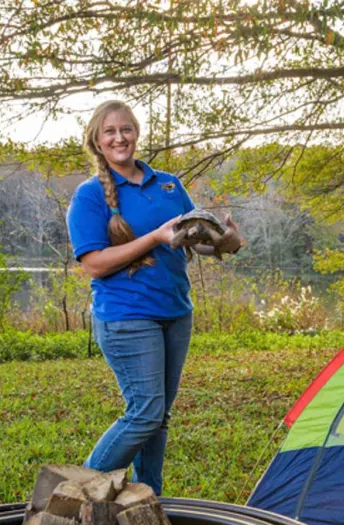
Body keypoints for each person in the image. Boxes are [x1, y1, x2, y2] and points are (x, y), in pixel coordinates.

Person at [66, 99, 242, 495]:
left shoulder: (168, 184)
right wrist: (155, 237)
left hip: (175, 312)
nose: (119, 137)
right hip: (127, 317)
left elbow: (194, 239)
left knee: (158, 416)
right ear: (97, 139)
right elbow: (94, 264)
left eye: (126, 129)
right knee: (144, 412)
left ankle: (149, 500)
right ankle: (74, 494)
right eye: (110, 131)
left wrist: (226, 242)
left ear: (137, 132)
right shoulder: (90, 195)